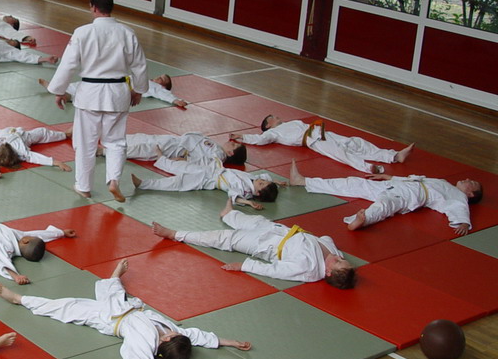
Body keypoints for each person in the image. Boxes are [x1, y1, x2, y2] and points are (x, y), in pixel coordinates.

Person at [0, 259, 251, 359]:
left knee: (65, 307)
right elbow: (196, 335)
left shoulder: (147, 341)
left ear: (166, 341)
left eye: (173, 334)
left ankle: (19, 299)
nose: (176, 330)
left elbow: (139, 357)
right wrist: (229, 342)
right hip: (127, 307)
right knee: (111, 293)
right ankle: (115, 278)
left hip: (108, 318)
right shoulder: (170, 332)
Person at [45, 0, 148, 203]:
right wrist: (138, 90)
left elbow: (68, 64)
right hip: (118, 93)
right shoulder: (127, 32)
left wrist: (59, 90)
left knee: (85, 142)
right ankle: (114, 180)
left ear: (92, 7)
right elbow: (139, 65)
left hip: (90, 94)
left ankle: (84, 187)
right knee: (116, 141)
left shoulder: (82, 32)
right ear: (111, 7)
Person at [151, 198, 356, 289]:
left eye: (338, 262)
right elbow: (326, 238)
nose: (339, 258)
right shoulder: (333, 253)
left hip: (265, 245)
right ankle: (228, 214)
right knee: (255, 221)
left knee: (224, 238)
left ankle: (175, 234)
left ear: (328, 272)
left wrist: (244, 266)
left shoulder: (308, 269)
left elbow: (275, 270)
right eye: (342, 260)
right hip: (280, 231)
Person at [288, 161, 482, 236]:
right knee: (353, 183)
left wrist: (463, 222)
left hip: (410, 195)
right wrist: (390, 177)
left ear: (470, 194)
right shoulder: (445, 183)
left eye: (471, 183)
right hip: (399, 185)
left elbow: (459, 208)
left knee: (385, 204)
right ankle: (303, 181)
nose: (467, 179)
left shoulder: (458, 196)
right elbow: (415, 179)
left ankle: (362, 220)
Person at [233, 115, 414, 174]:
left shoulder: (291, 122)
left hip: (321, 132)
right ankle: (368, 168)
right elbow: (259, 139)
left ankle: (393, 155)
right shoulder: (272, 133)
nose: (277, 117)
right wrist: (242, 136)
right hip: (313, 140)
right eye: (273, 117)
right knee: (341, 153)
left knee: (355, 142)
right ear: (268, 124)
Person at [131, 153, 280, 210]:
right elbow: (264, 176)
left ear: (257, 193)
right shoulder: (253, 180)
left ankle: (143, 183)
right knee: (183, 166)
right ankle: (161, 159)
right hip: (213, 169)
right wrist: (276, 182)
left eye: (261, 183)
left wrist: (249, 203)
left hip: (208, 180)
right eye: (262, 181)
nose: (260, 180)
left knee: (178, 182)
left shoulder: (245, 190)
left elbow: (234, 197)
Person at [100, 130, 246, 166]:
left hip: (176, 150)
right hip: (174, 140)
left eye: (234, 145)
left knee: (143, 148)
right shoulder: (217, 147)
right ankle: (106, 138)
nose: (231, 142)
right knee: (141, 137)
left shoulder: (219, 156)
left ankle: (105, 151)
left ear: (230, 153)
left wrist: (185, 160)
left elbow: (205, 164)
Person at [50, 74, 186, 109]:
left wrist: (175, 100)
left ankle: (67, 95)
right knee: (89, 84)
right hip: (118, 80)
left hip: (120, 88)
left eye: (161, 79)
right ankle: (62, 90)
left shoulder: (155, 87)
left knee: (95, 92)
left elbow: (163, 94)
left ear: (163, 85)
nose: (157, 78)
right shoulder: (145, 80)